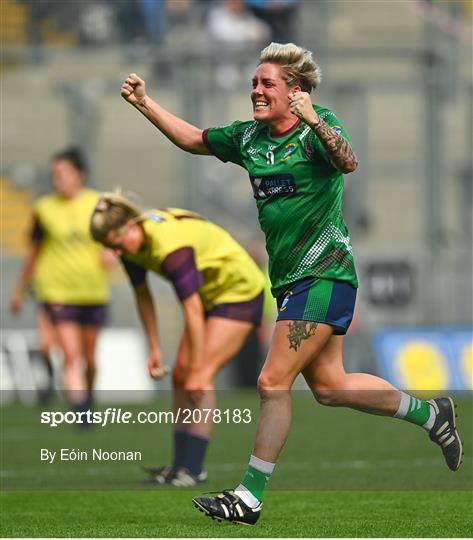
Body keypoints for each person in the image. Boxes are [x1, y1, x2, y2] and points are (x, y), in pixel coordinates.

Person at [120, 42, 463, 523]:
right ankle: (432, 416)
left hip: (325, 273)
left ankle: (249, 496)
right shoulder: (249, 138)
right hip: (289, 282)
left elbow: (348, 162)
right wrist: (144, 104)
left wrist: (315, 120)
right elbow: (195, 139)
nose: (257, 91)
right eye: (254, 84)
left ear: (295, 91)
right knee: (331, 387)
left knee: (271, 381)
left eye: (267, 84)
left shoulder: (316, 128)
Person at [89, 193, 265, 486]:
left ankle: (193, 469)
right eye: (110, 248)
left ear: (131, 226)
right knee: (180, 375)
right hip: (210, 295)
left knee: (200, 376)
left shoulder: (171, 248)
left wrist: (198, 365)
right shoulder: (131, 243)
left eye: (117, 245)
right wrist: (155, 348)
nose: (117, 253)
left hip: (239, 293)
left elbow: (192, 309)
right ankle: (178, 466)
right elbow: (143, 296)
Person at [9, 147, 110, 415]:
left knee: (90, 360)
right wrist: (19, 291)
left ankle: (87, 397)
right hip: (56, 290)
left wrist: (111, 253)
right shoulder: (44, 208)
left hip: (93, 291)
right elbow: (33, 252)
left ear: (80, 175)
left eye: (62, 174)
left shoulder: (98, 203)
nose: (57, 180)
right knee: (70, 355)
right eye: (54, 174)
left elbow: (113, 241)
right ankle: (80, 412)